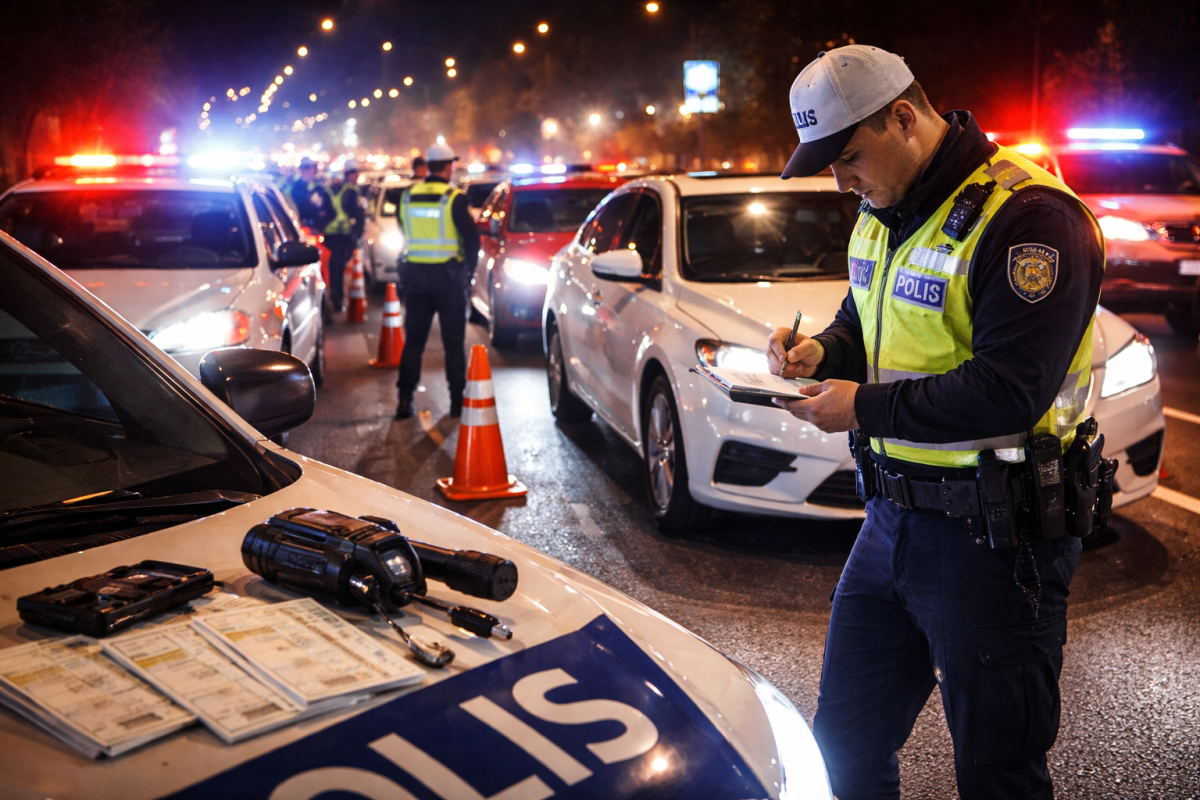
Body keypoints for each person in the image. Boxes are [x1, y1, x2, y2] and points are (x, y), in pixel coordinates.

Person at [765, 46, 1104, 800]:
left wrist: (860, 406)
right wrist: (822, 349)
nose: (840, 180)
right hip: (890, 523)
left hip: (997, 537)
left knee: (996, 775)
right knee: (842, 749)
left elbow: (1009, 389)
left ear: (905, 118)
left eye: (847, 156)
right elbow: (867, 317)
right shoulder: (883, 210)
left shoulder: (1030, 220)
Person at [394, 143, 480, 419]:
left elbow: (403, 228)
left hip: (416, 278)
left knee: (414, 342)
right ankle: (457, 404)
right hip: (448, 280)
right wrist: (468, 272)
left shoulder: (408, 196)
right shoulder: (453, 198)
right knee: (453, 343)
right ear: (447, 166)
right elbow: (471, 239)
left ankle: (404, 400)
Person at [322, 160, 367, 313]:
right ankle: (336, 299)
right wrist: (357, 235)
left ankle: (334, 298)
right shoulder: (351, 192)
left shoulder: (331, 190)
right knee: (338, 269)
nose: (356, 176)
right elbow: (358, 215)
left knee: (333, 268)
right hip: (342, 236)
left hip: (329, 235)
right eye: (354, 173)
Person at [290, 157, 334, 232]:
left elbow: (330, 211)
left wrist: (320, 224)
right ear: (301, 170)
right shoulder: (295, 189)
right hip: (299, 230)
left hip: (317, 231)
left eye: (309, 168)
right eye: (305, 168)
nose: (307, 171)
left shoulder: (321, 188)